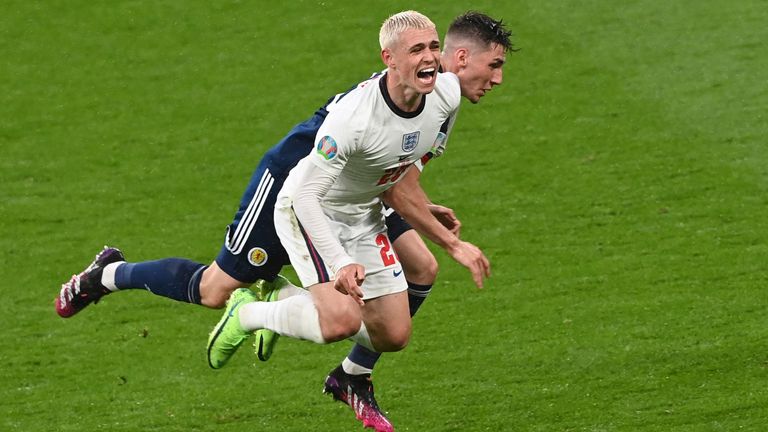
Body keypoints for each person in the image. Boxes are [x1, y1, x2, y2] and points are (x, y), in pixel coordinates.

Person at [205, 10, 500, 432]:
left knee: (394, 335)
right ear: (389, 58)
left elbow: (396, 173)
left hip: (363, 211)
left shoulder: (445, 94)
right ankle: (247, 314)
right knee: (340, 320)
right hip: (310, 212)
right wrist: (341, 261)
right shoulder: (352, 118)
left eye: (434, 47)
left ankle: (340, 365)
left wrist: (423, 205)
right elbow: (305, 195)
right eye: (417, 49)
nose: (431, 58)